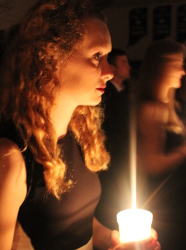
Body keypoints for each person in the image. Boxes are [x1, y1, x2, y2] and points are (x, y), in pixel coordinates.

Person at [0, 0, 160, 249]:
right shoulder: (11, 157)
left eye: (107, 57)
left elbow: (77, 228)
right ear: (52, 58)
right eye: (97, 56)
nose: (108, 71)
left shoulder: (78, 132)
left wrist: (116, 240)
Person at [136, 40, 186, 249]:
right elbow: (152, 164)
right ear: (159, 66)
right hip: (166, 203)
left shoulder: (172, 105)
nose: (182, 71)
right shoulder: (150, 109)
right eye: (177, 64)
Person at [95, 49, 133, 230]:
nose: (129, 66)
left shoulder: (127, 92)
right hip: (112, 159)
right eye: (123, 62)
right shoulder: (103, 95)